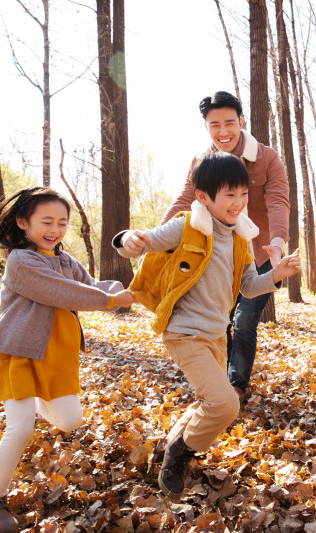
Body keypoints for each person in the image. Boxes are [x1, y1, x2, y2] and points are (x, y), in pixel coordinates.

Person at [114, 151, 301, 500]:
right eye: (230, 195)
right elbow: (143, 243)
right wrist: (127, 239)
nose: (239, 202)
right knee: (226, 404)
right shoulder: (187, 226)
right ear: (204, 197)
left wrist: (276, 275)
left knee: (208, 400)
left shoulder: (241, 237)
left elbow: (248, 286)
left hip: (216, 335)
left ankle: (175, 444)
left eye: (243, 194)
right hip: (184, 333)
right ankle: (178, 454)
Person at [0, 187, 134, 532]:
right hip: (19, 354)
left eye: (62, 222)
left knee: (69, 421)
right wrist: (111, 301)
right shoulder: (21, 261)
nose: (55, 229)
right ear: (23, 222)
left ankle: (32, 405)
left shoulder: (65, 261)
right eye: (46, 221)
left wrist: (129, 290)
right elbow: (60, 292)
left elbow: (92, 284)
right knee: (19, 429)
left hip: (55, 356)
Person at [162, 91, 290, 406]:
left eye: (229, 123)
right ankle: (219, 382)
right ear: (206, 127)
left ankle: (236, 385)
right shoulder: (202, 162)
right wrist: (156, 235)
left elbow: (278, 200)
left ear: (241, 122)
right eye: (214, 124)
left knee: (245, 318)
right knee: (223, 319)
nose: (223, 131)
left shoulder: (266, 158)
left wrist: (277, 241)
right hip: (221, 256)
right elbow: (185, 199)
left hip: (260, 254)